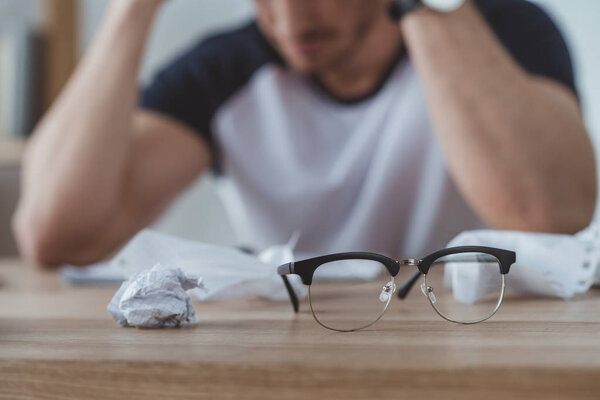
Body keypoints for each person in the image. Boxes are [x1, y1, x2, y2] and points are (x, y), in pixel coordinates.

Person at [13, 0, 597, 267]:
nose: (291, 21)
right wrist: (131, 10)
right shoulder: (224, 70)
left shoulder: (499, 31)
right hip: (293, 355)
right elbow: (54, 233)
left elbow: (551, 211)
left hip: (473, 349)